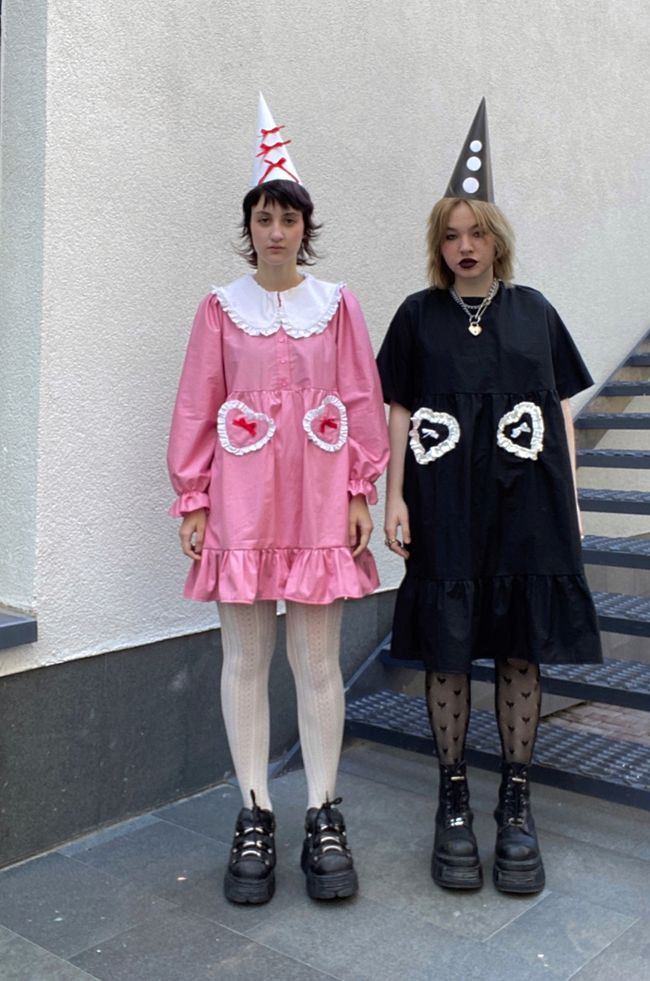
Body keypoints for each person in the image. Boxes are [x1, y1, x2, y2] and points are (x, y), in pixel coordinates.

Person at [167, 94, 389, 905]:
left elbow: (362, 400)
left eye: (287, 216)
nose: (275, 229)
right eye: (263, 214)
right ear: (250, 224)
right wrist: (194, 498)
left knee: (318, 660)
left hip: (324, 505)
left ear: (305, 226)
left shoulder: (338, 308)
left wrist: (364, 485)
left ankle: (324, 810)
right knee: (246, 657)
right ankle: (255, 809)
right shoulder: (220, 310)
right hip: (243, 509)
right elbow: (197, 403)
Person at [377, 99, 602, 895]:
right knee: (448, 645)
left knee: (516, 645)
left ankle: (514, 800)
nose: (464, 246)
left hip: (526, 505)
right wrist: (393, 497)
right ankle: (452, 801)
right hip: (444, 502)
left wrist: (572, 503)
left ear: (496, 239)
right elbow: (401, 408)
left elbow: (560, 411)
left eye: (475, 232)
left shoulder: (534, 310)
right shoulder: (417, 315)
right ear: (439, 245)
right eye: (450, 234)